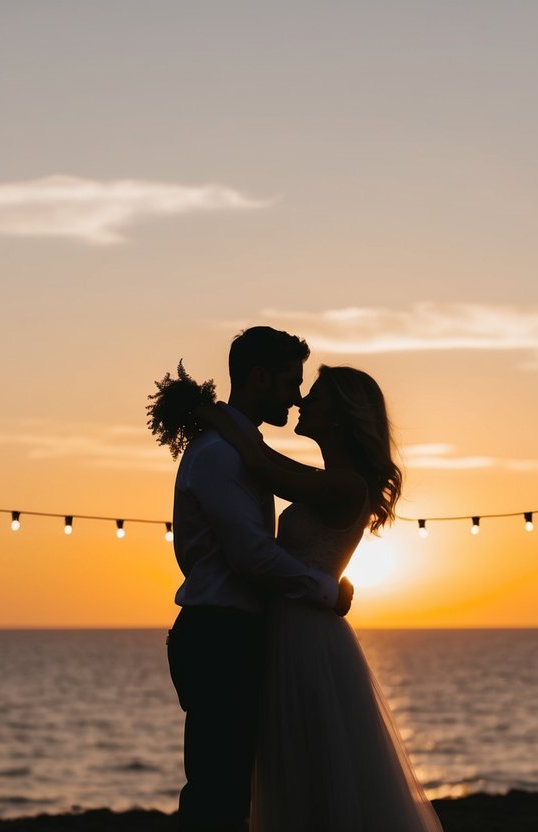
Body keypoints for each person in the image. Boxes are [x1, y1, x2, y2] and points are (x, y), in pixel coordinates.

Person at [199, 364, 443, 832]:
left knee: (312, 771)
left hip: (306, 636)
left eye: (314, 396)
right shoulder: (332, 480)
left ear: (340, 415)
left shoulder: (345, 484)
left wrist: (211, 413)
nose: (301, 401)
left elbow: (260, 464)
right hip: (296, 625)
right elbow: (264, 460)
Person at [153, 326, 354, 832]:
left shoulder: (240, 450)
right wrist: (326, 590)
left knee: (231, 792)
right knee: (217, 796)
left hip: (234, 632)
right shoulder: (220, 455)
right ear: (260, 377)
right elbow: (252, 556)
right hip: (219, 635)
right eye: (291, 382)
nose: (297, 396)